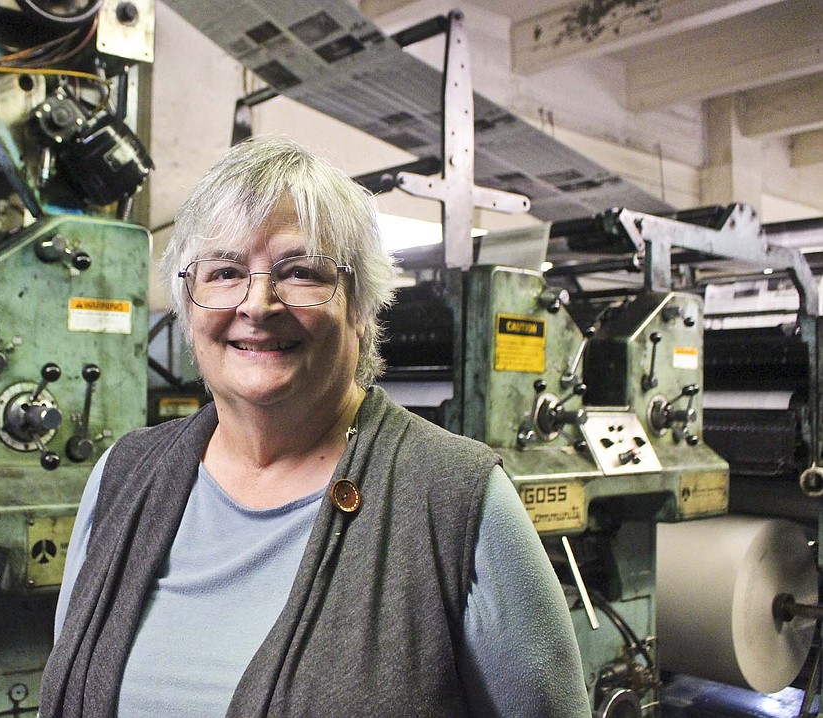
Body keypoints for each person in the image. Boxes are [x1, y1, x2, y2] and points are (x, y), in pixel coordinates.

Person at [40, 136, 590, 717]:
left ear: (360, 308)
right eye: (225, 271)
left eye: (300, 273)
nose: (257, 304)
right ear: (188, 304)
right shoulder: (123, 476)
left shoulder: (456, 499)